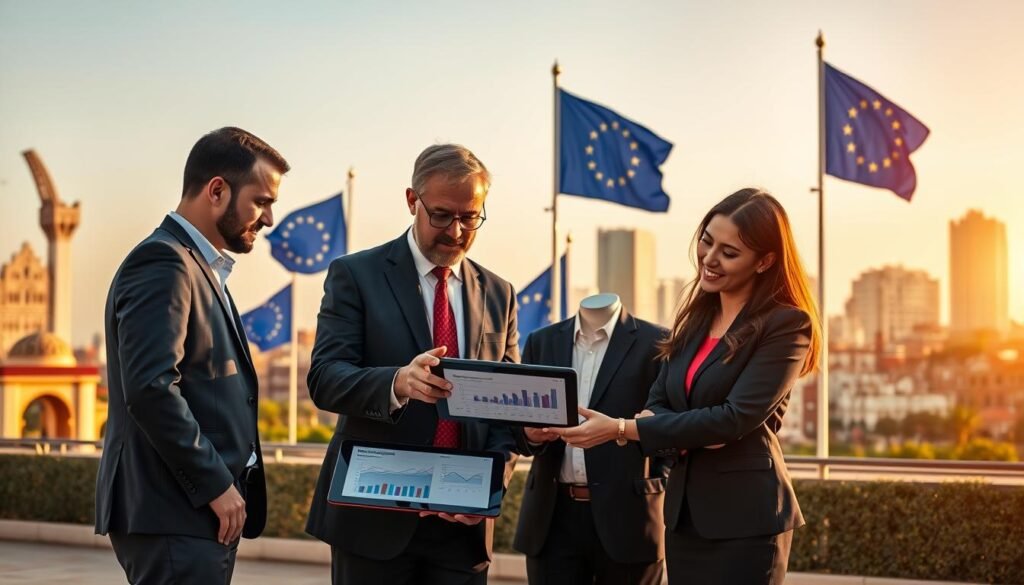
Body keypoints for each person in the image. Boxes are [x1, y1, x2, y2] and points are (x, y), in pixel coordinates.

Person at [551, 188, 821, 584]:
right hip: (683, 518)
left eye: (729, 253)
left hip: (746, 522)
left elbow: (735, 418)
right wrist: (690, 429)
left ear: (764, 261)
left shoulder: (787, 324)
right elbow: (659, 401)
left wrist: (625, 428)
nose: (710, 260)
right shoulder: (695, 319)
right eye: (707, 242)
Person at [304, 144, 519, 585]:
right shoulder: (355, 275)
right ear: (411, 200)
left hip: (464, 529)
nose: (456, 230)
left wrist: (489, 484)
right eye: (441, 215)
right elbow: (326, 378)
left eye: (470, 216)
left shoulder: (500, 293)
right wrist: (398, 383)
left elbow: (507, 412)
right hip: (372, 519)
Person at [95, 127, 290, 584]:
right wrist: (215, 484)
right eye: (261, 202)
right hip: (176, 511)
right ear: (217, 190)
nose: (268, 220)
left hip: (189, 514)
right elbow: (150, 388)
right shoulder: (164, 263)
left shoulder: (195, 265)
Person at [514, 293, 669, 585]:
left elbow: (670, 428)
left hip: (630, 518)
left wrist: (657, 483)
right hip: (551, 519)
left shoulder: (658, 343)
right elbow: (519, 430)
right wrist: (529, 435)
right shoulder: (541, 341)